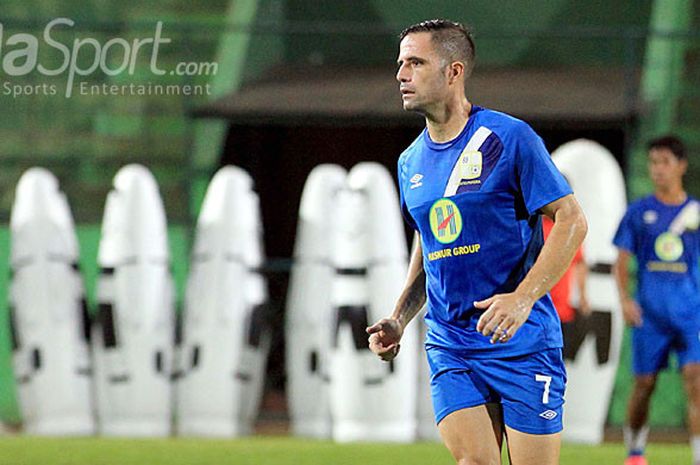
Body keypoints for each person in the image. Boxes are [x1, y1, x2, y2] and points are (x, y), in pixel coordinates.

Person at [366, 19, 587, 465]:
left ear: (454, 71)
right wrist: (399, 317)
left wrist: (523, 299)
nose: (401, 74)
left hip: (522, 341)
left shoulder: (510, 138)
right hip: (451, 342)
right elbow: (429, 245)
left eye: (415, 62)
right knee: (475, 462)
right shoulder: (410, 161)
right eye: (400, 63)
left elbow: (571, 220)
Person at [613, 135, 700, 465]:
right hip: (650, 314)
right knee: (644, 385)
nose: (658, 169)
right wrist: (624, 299)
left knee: (696, 379)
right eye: (653, 162)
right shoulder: (639, 212)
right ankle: (635, 452)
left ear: (681, 165)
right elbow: (622, 260)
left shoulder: (694, 212)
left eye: (664, 162)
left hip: (691, 313)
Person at [542, 215, 591, 358]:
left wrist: (583, 296)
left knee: (559, 363)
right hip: (534, 312)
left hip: (562, 311)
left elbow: (580, 262)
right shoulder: (530, 227)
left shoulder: (568, 228)